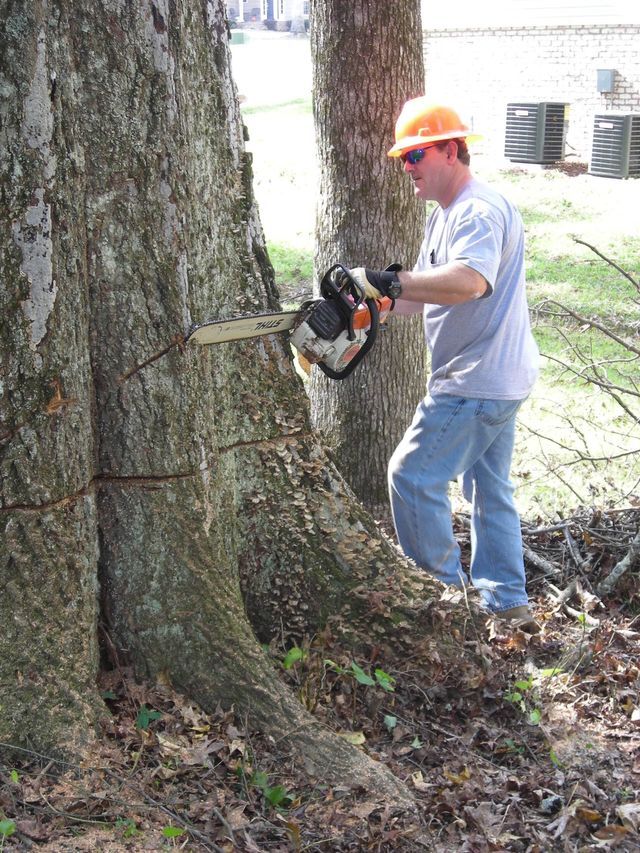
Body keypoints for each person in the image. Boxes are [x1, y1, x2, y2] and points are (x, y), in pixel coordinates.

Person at [346, 98, 540, 633]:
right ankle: (507, 603)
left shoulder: (477, 211)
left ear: (452, 152)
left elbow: (470, 282)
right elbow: (429, 293)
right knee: (489, 489)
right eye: (403, 158)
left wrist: (393, 280)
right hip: (500, 377)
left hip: (475, 380)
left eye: (417, 155)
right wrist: (376, 304)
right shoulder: (447, 214)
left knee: (411, 476)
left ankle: (443, 605)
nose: (408, 167)